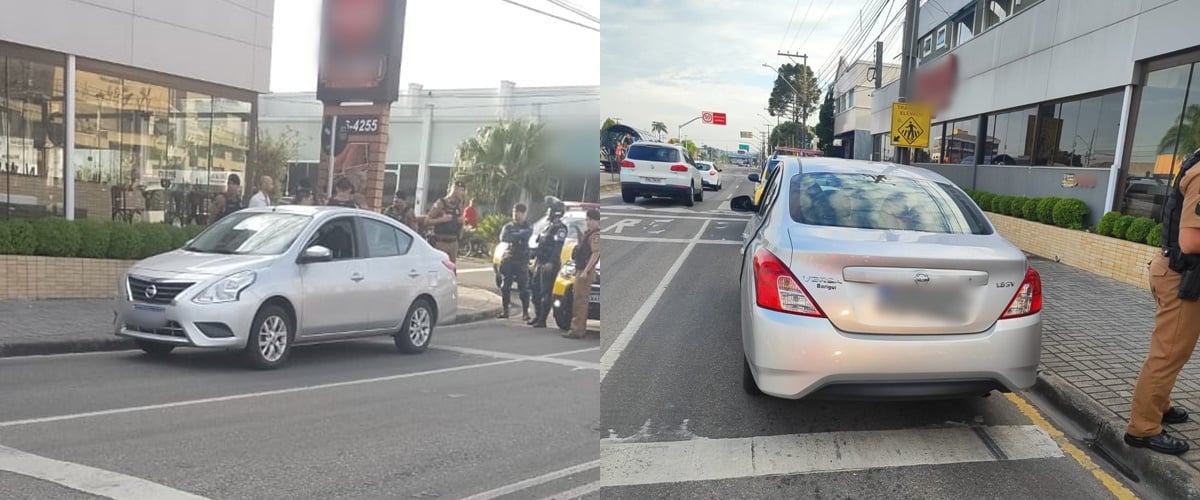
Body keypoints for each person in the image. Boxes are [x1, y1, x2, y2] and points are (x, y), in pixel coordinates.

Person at [1125, 148, 1200, 455]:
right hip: (1181, 277)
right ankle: (1142, 429)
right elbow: (1191, 240)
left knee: (1171, 350)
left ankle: (1161, 406)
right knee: (1168, 353)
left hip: (1176, 272)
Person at [528, 197, 569, 328]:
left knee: (545, 293)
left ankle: (542, 319)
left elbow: (558, 247)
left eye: (550, 209)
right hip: (540, 262)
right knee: (535, 290)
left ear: (556, 212)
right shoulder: (547, 227)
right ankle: (537, 315)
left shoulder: (560, 228)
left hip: (549, 264)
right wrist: (532, 256)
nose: (548, 212)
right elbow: (540, 244)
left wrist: (550, 263)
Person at [566, 208, 600, 339]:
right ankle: (576, 327)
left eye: (591, 219)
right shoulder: (588, 234)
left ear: (596, 221)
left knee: (581, 301)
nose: (588, 222)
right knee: (577, 299)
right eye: (587, 219)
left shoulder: (596, 236)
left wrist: (586, 271)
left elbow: (595, 253)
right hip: (580, 269)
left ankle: (578, 330)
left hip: (585, 271)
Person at [497, 203, 534, 321]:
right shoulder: (508, 226)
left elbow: (525, 235)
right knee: (505, 286)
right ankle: (505, 310)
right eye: (514, 213)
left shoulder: (528, 226)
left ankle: (525, 312)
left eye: (518, 213)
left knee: (523, 287)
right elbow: (504, 237)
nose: (516, 216)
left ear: (524, 214)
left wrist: (515, 235)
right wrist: (517, 236)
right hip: (509, 257)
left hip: (522, 259)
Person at [426, 181, 467, 263]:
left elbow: (461, 221)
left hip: (453, 242)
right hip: (441, 242)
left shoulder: (459, 204)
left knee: (452, 269)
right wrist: (441, 220)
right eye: (460, 190)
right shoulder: (440, 203)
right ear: (454, 190)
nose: (462, 193)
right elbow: (427, 221)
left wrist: (461, 222)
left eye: (463, 190)